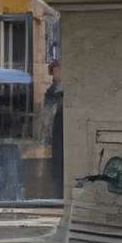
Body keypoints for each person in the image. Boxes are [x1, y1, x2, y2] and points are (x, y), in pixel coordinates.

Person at [43, 59, 65, 197]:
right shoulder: (52, 91)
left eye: (59, 70)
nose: (58, 74)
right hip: (57, 132)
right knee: (58, 166)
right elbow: (48, 113)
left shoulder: (63, 88)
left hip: (64, 132)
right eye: (56, 71)